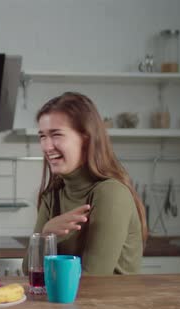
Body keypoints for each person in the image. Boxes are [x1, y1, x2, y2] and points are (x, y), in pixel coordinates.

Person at [23, 92, 147, 275]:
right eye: (42, 136)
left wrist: (46, 241)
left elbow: (93, 278)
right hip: (67, 302)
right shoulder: (53, 194)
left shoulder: (111, 193)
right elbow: (29, 271)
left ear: (86, 138)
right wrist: (46, 235)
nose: (47, 146)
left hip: (111, 303)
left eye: (56, 135)